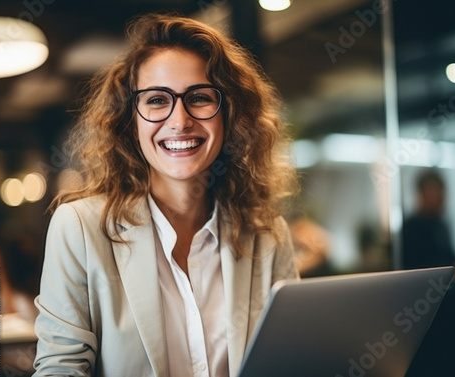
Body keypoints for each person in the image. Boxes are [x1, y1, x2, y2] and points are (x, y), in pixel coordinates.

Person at [32, 12, 299, 377]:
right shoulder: (79, 227)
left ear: (230, 113)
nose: (179, 120)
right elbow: (59, 370)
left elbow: (290, 361)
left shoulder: (269, 234)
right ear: (130, 121)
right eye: (157, 100)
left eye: (200, 97)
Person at [402, 169, 455, 269]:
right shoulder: (411, 228)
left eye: (442, 192)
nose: (441, 198)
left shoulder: (441, 224)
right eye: (436, 192)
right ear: (422, 194)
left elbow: (450, 259)